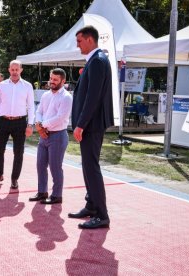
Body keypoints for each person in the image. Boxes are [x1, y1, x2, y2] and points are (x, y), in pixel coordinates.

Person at [68, 26, 113, 229]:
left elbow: (92, 98)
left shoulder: (97, 61)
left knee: (91, 167)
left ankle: (102, 215)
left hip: (91, 125)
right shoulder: (95, 61)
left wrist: (80, 125)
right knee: (87, 166)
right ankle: (92, 206)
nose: (77, 45)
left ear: (89, 40)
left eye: (79, 41)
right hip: (90, 125)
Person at [0, 60, 35, 189]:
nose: (14, 72)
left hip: (20, 122)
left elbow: (31, 106)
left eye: (17, 69)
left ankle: (14, 178)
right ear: (9, 70)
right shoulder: (2, 86)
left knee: (18, 152)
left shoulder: (27, 86)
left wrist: (30, 125)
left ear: (21, 70)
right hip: (2, 121)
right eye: (12, 69)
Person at [30, 68, 72, 204]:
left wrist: (42, 126)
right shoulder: (45, 95)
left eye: (55, 80)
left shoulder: (66, 97)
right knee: (40, 165)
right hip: (44, 136)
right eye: (51, 79)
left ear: (63, 81)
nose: (51, 82)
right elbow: (39, 110)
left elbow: (61, 117)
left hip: (58, 136)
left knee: (55, 167)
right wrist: (38, 123)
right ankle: (42, 192)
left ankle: (57, 195)